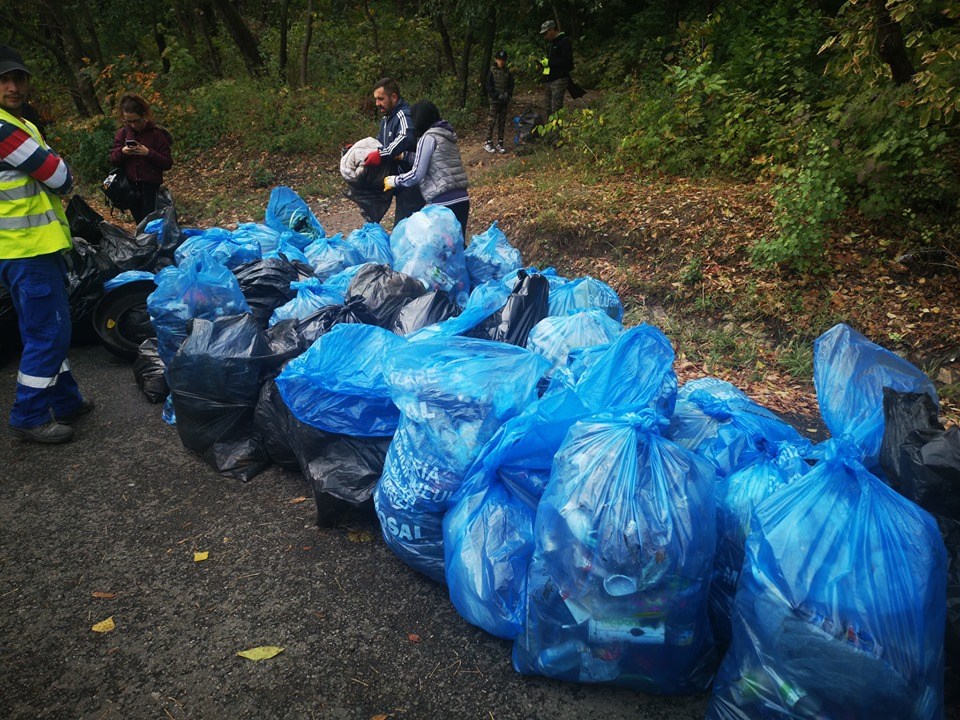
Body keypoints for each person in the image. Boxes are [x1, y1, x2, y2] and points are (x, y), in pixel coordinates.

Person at [0, 46, 93, 444]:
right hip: (26, 250)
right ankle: (29, 415)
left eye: (19, 78)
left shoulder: (18, 124)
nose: (13, 86)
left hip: (29, 249)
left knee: (45, 327)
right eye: (4, 80)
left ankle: (66, 399)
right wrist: (58, 166)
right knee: (49, 333)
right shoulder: (4, 130)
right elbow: (59, 176)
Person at [384, 101, 469, 237]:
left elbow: (417, 173)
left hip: (444, 203)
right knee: (457, 249)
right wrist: (404, 156)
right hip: (462, 200)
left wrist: (394, 181)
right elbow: (430, 160)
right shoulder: (446, 135)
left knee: (441, 250)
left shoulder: (428, 137)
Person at [365, 78, 424, 225]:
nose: (377, 103)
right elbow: (380, 143)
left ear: (393, 97)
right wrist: (360, 149)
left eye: (381, 99)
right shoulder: (385, 120)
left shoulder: (403, 114)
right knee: (403, 227)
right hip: (397, 181)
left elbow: (405, 137)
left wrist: (381, 155)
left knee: (404, 228)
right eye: (376, 99)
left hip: (412, 182)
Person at [109, 92, 173, 224]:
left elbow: (167, 162)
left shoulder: (157, 134)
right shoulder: (123, 133)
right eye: (128, 121)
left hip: (151, 187)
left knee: (151, 224)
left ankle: (153, 243)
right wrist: (123, 152)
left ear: (143, 116)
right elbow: (113, 159)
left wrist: (148, 153)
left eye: (135, 121)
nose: (132, 125)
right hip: (130, 188)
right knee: (141, 224)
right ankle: (144, 244)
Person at [539, 20, 574, 120]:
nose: (545, 36)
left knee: (556, 108)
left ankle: (557, 133)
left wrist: (549, 62)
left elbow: (567, 61)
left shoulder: (564, 41)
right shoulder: (551, 44)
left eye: (546, 33)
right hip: (549, 78)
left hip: (559, 78)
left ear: (552, 30)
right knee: (548, 107)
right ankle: (551, 132)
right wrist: (543, 63)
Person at [484, 50, 515, 154]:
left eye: (503, 60)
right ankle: (488, 142)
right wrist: (497, 95)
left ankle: (500, 142)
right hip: (494, 101)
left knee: (502, 122)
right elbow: (488, 86)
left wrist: (507, 94)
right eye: (499, 59)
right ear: (496, 60)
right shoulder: (491, 72)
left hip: (504, 101)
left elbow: (511, 85)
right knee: (491, 121)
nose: (501, 61)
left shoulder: (508, 72)